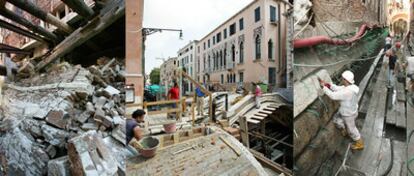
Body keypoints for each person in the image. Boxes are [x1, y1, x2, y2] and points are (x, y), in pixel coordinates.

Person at [319, 70, 363, 150]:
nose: (341, 80)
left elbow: (333, 96)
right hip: (351, 110)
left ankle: (359, 143)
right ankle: (344, 129)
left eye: (342, 79)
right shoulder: (351, 87)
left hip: (348, 114)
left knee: (352, 129)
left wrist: (324, 88)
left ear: (346, 80)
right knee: (337, 119)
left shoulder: (347, 92)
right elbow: (338, 88)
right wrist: (329, 85)